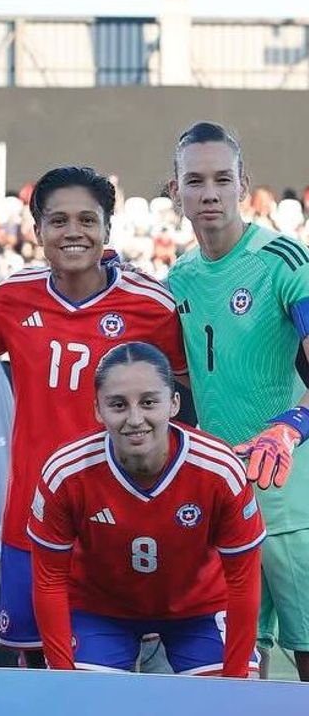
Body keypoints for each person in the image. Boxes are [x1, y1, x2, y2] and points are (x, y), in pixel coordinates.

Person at [0, 166, 188, 663]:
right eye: (58, 220)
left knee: (115, 670)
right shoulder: (11, 300)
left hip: (122, 520)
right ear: (38, 230)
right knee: (34, 664)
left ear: (108, 229)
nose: (73, 232)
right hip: (32, 515)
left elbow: (191, 394)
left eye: (87, 219)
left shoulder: (149, 305)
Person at [166, 121, 309, 680]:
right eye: (194, 180)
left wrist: (291, 424)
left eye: (222, 179)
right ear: (175, 190)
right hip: (221, 502)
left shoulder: (284, 261)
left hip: (291, 503)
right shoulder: (179, 276)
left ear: (242, 184)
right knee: (236, 668)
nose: (209, 193)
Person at [30, 342, 263, 677]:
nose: (135, 419)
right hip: (100, 609)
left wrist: (236, 680)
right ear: (98, 409)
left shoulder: (219, 469)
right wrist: (66, 681)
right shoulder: (66, 473)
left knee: (236, 703)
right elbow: (49, 579)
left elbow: (243, 579)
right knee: (81, 704)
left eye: (149, 402)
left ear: (174, 403)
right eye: (118, 405)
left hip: (199, 607)